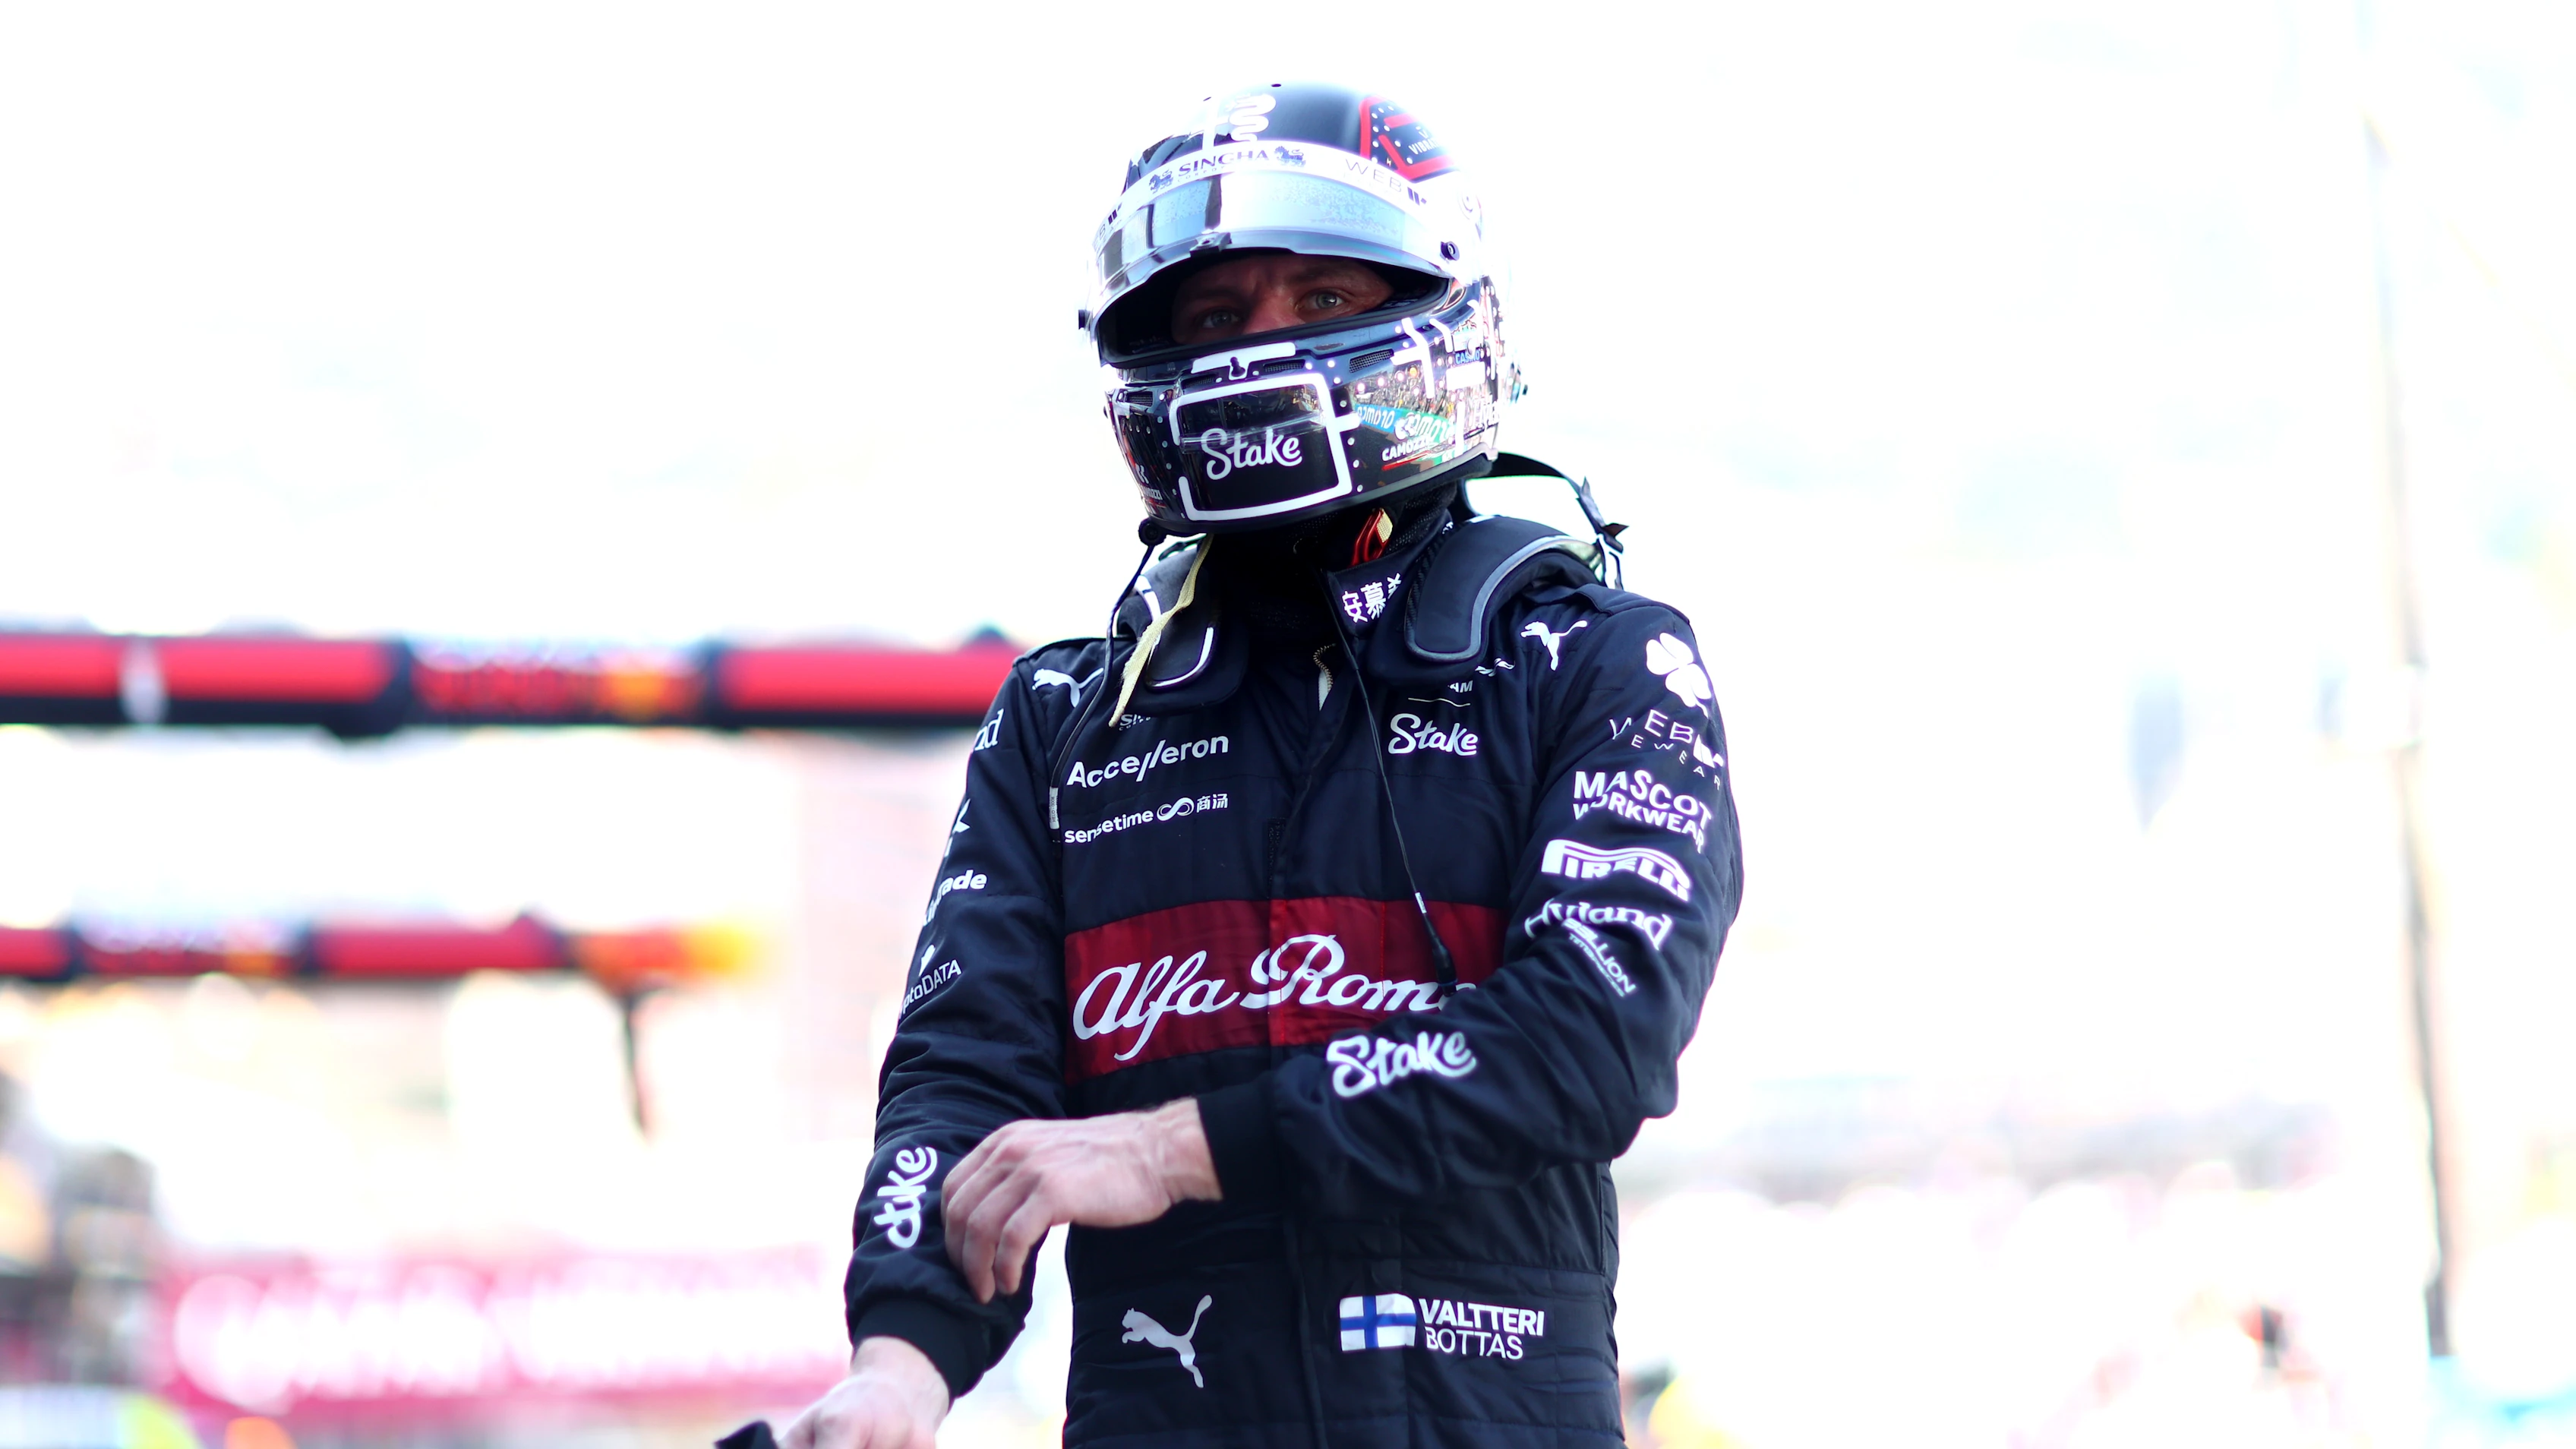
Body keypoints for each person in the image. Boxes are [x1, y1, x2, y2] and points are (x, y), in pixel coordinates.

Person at [778, 81, 1742, 1449]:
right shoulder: (1068, 717)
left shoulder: (1599, 663)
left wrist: (1168, 1151)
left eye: (1323, 298)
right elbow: (962, 1083)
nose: (1258, 352)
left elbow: (1584, 1046)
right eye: (1217, 320)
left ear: (1438, 312)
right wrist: (895, 1372)